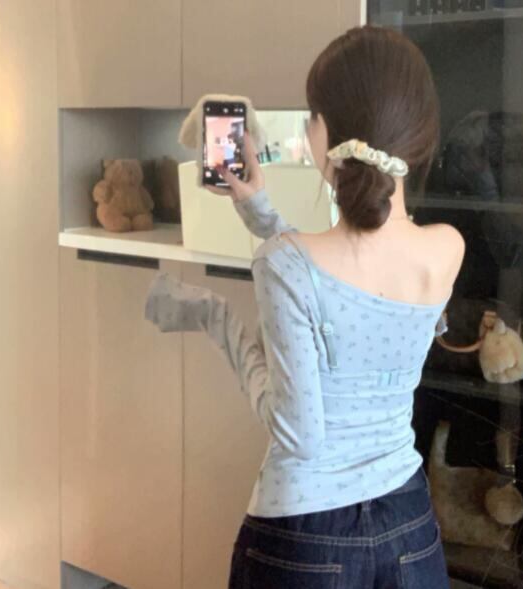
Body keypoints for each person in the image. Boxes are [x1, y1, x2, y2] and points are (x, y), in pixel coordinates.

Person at [148, 24, 465, 589]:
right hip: (408, 524)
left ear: (323, 134)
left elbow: (301, 438)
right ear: (421, 137)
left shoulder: (284, 263)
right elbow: (343, 283)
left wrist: (215, 316)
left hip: (307, 536)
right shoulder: (447, 248)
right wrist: (259, 210)